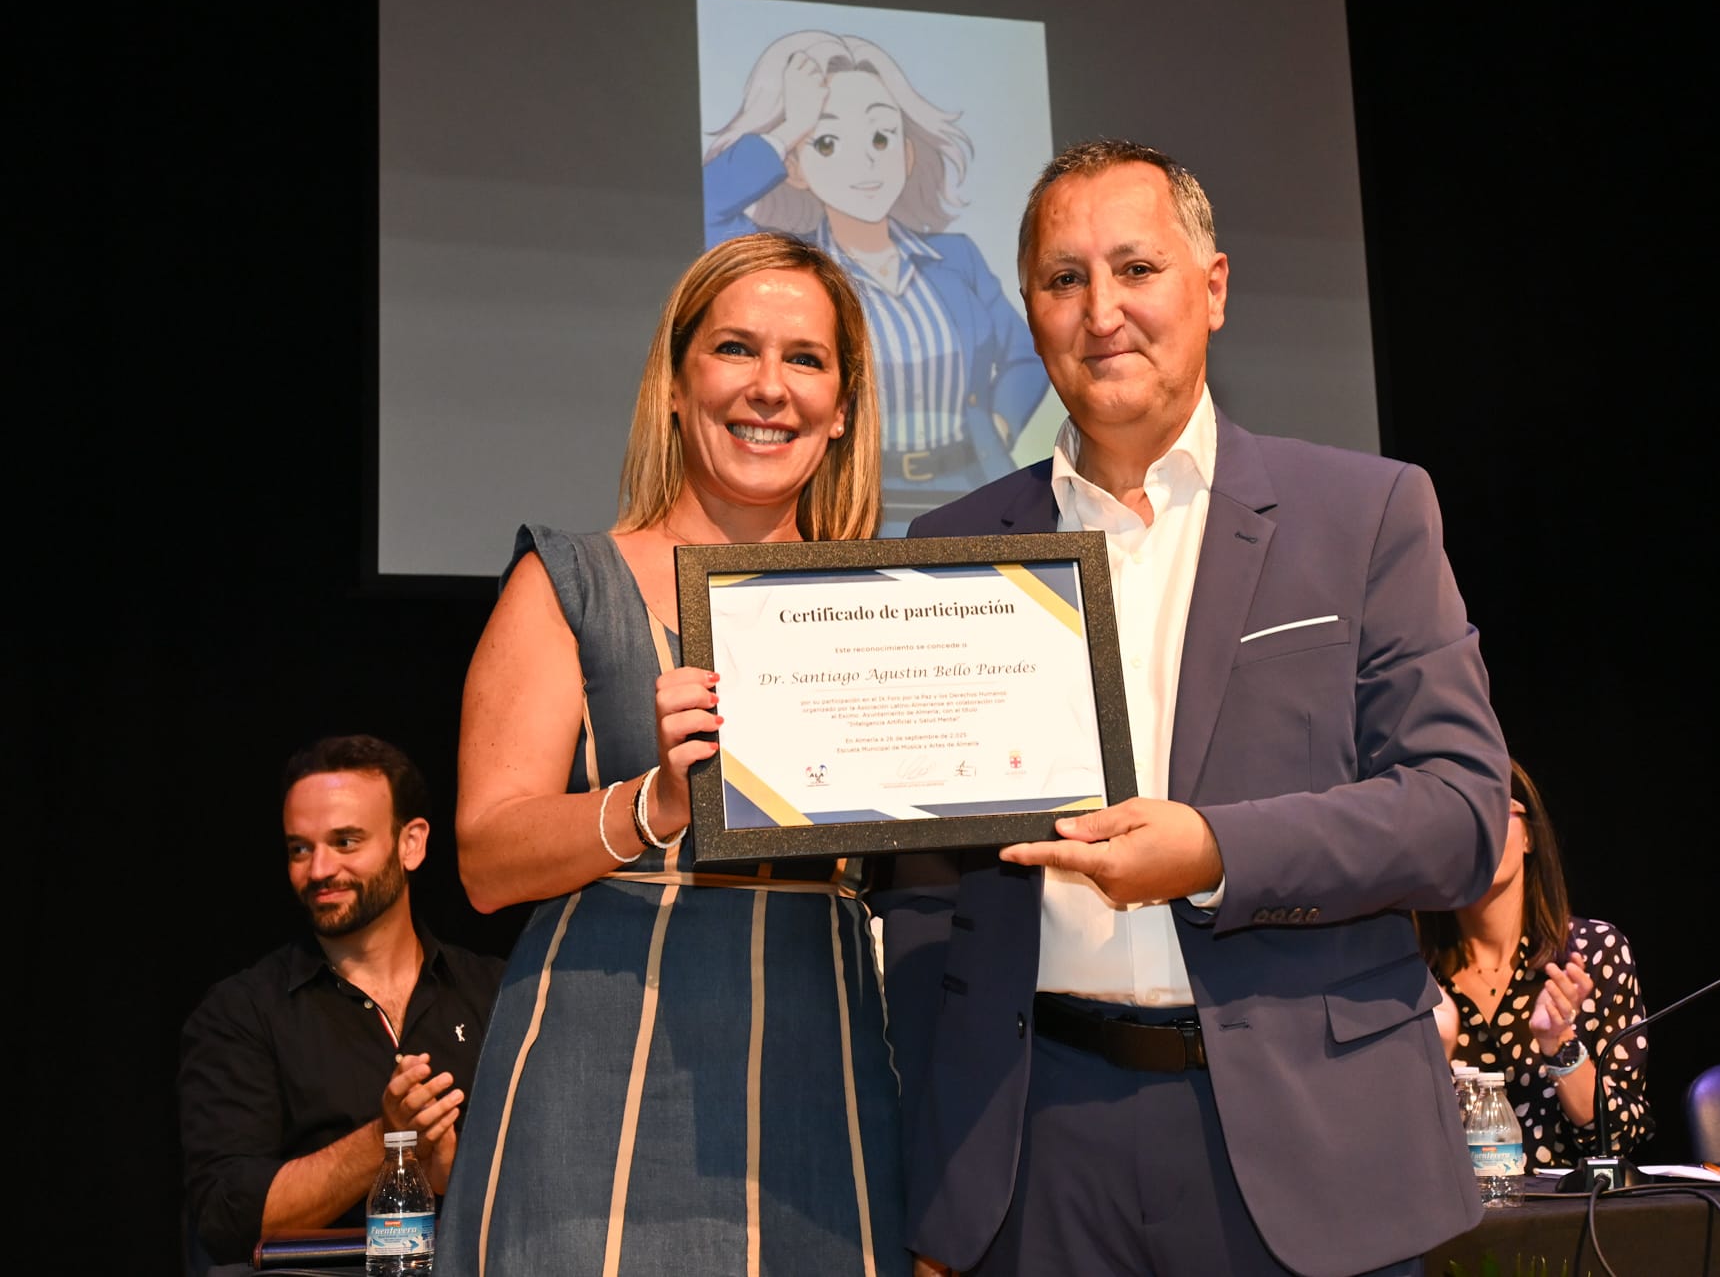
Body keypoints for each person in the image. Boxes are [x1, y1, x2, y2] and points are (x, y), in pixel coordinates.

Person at [874, 140, 1510, 1277]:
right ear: (1027, 313)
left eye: (1136, 269)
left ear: (1211, 287)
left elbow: (1459, 815)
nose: (1100, 311)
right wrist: (935, 1172)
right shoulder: (952, 546)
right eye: (1063, 279)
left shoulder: (1365, 511)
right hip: (1030, 1153)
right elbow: (924, 889)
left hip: (1310, 1145)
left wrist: (1216, 851)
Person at [435, 231, 905, 1275]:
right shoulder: (570, 581)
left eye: (805, 359)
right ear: (679, 386)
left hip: (823, 1077)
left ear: (841, 408)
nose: (769, 387)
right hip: (596, 1083)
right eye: (735, 349)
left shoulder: (895, 608)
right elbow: (485, 858)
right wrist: (656, 801)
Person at [178, 735, 504, 1272]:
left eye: (345, 842)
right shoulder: (240, 1013)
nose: (319, 870)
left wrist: (457, 1174)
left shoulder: (498, 993)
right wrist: (385, 1139)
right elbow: (227, 1217)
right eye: (299, 849)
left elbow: (563, 1175)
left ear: (411, 844)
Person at [703, 29, 1047, 529]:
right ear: (795, 167)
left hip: (972, 490)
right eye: (826, 142)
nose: (864, 161)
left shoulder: (957, 258)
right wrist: (787, 129)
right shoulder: (792, 276)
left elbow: (1028, 352)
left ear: (907, 154)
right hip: (848, 504)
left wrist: (999, 424)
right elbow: (710, 202)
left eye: (881, 138)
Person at [1415, 760, 1652, 1168]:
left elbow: (1617, 1140)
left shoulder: (1594, 952)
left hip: (1565, 1205)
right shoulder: (1410, 970)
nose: (1480, 831)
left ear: (1529, 835)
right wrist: (1437, 1050)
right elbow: (1386, 1147)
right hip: (1449, 1206)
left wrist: (1559, 1044)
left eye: (1495, 808)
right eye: (1461, 818)